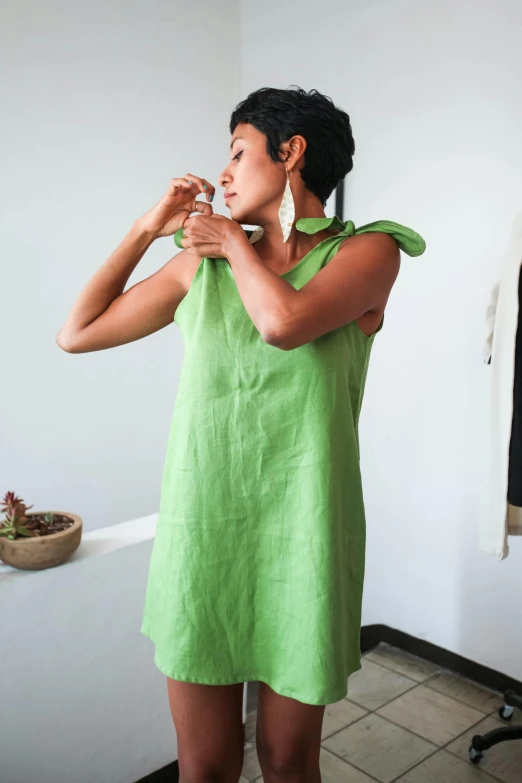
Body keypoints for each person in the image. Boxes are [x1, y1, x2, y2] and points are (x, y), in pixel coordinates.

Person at [57, 86, 425, 783]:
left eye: (236, 152)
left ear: (292, 153)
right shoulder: (204, 266)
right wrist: (147, 227)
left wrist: (231, 240)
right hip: (205, 535)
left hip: (306, 535)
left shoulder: (370, 250)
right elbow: (77, 333)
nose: (222, 173)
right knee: (205, 767)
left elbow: (283, 324)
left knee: (288, 762)